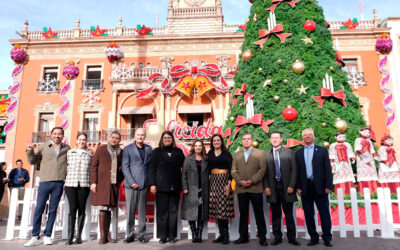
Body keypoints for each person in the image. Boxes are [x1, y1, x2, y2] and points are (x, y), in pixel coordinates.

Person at [24, 127, 70, 247]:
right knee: (39, 208)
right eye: (55, 134)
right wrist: (29, 150)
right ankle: (34, 236)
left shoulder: (66, 148)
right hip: (44, 182)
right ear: (51, 135)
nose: (57, 136)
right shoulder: (43, 147)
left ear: (62, 136)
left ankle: (48, 235)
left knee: (53, 210)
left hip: (59, 183)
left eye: (59, 134)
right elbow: (33, 161)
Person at [295, 128, 333, 247]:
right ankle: (313, 237)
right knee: (308, 214)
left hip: (320, 187)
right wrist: (298, 187)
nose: (307, 137)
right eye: (305, 135)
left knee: (324, 213)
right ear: (302, 138)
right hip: (305, 187)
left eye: (310, 135)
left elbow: (327, 169)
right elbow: (297, 172)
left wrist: (328, 185)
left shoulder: (322, 151)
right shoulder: (298, 153)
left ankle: (327, 237)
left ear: (313, 137)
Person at [148, 131, 185, 244]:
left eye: (169, 137)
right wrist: (152, 184)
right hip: (161, 186)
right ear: (162, 139)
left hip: (175, 186)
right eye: (165, 138)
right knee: (162, 212)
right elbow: (151, 169)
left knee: (173, 212)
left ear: (172, 139)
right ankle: (163, 236)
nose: (167, 139)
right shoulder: (157, 152)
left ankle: (172, 236)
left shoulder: (178, 152)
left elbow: (185, 167)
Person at [263, 131, 300, 246]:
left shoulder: (289, 152)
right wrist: (266, 187)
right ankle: (277, 237)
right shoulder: (265, 154)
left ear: (281, 139)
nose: (274, 140)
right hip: (272, 188)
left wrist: (292, 186)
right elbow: (263, 173)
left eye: (277, 138)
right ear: (270, 140)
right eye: (272, 138)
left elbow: (295, 170)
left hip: (286, 187)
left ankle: (292, 237)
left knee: (288, 214)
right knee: (275, 214)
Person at [231, 132, 268, 246]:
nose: (246, 141)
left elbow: (262, 169)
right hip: (241, 188)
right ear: (242, 141)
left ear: (252, 141)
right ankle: (243, 236)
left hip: (255, 187)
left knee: (259, 213)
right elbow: (233, 171)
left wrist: (252, 180)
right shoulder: (236, 154)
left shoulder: (260, 153)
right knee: (243, 214)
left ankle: (262, 237)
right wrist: (240, 181)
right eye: (244, 139)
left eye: (248, 139)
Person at [90, 131, 124, 245]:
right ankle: (102, 236)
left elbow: (123, 168)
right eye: (112, 137)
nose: (114, 139)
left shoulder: (121, 152)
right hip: (102, 182)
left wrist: (119, 180)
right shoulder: (101, 149)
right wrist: (93, 182)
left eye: (117, 138)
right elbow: (94, 166)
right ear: (109, 138)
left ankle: (108, 234)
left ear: (119, 140)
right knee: (103, 207)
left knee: (109, 208)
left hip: (113, 183)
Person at [122, 128, 152, 244]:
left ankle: (141, 235)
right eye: (138, 135)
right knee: (130, 211)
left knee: (142, 212)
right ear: (135, 136)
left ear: (145, 137)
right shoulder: (128, 149)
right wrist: (131, 182)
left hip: (144, 184)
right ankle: (129, 235)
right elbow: (125, 167)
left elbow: (150, 166)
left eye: (142, 135)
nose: (140, 137)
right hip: (131, 185)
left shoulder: (149, 149)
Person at [64, 133, 92, 245]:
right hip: (70, 184)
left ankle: (78, 236)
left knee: (81, 209)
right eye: (80, 139)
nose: (82, 141)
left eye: (84, 140)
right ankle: (70, 236)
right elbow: (65, 168)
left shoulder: (89, 155)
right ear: (76, 141)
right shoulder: (69, 153)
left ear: (86, 141)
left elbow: (91, 170)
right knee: (72, 209)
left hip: (84, 185)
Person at [208, 134, 234, 245]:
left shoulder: (226, 153)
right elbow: (208, 169)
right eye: (214, 140)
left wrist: (229, 184)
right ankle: (221, 235)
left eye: (218, 140)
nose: (216, 142)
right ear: (212, 142)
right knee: (217, 209)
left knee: (223, 209)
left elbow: (231, 169)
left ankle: (226, 236)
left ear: (221, 142)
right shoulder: (209, 153)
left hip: (224, 182)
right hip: (213, 182)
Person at [181, 140, 209, 243]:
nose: (198, 147)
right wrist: (184, 187)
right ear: (193, 147)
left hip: (203, 190)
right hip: (191, 190)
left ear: (202, 147)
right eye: (196, 146)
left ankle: (199, 233)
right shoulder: (188, 159)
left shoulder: (206, 159)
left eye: (200, 146)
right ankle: (194, 233)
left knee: (201, 211)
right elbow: (184, 174)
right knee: (191, 212)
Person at [355, 126, 379, 195]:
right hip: (362, 159)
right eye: (365, 132)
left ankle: (374, 191)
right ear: (360, 132)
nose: (367, 133)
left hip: (370, 159)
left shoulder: (369, 140)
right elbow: (358, 149)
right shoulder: (358, 140)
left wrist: (375, 156)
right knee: (364, 172)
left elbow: (372, 150)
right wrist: (365, 156)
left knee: (371, 172)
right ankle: (363, 192)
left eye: (368, 132)